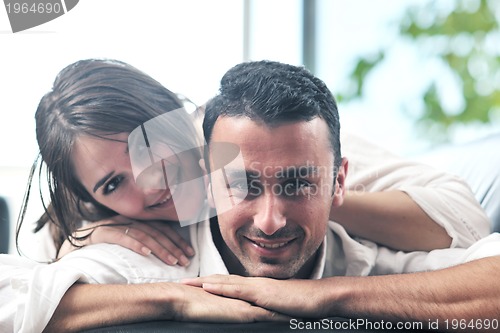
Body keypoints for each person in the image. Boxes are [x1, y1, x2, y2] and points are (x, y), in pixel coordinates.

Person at [0, 60, 491, 332]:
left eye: (150, 147)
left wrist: (309, 195)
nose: (152, 185)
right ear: (94, 198)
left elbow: (466, 224)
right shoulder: (121, 249)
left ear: (177, 117)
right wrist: (175, 299)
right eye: (113, 184)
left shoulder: (272, 130)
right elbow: (30, 288)